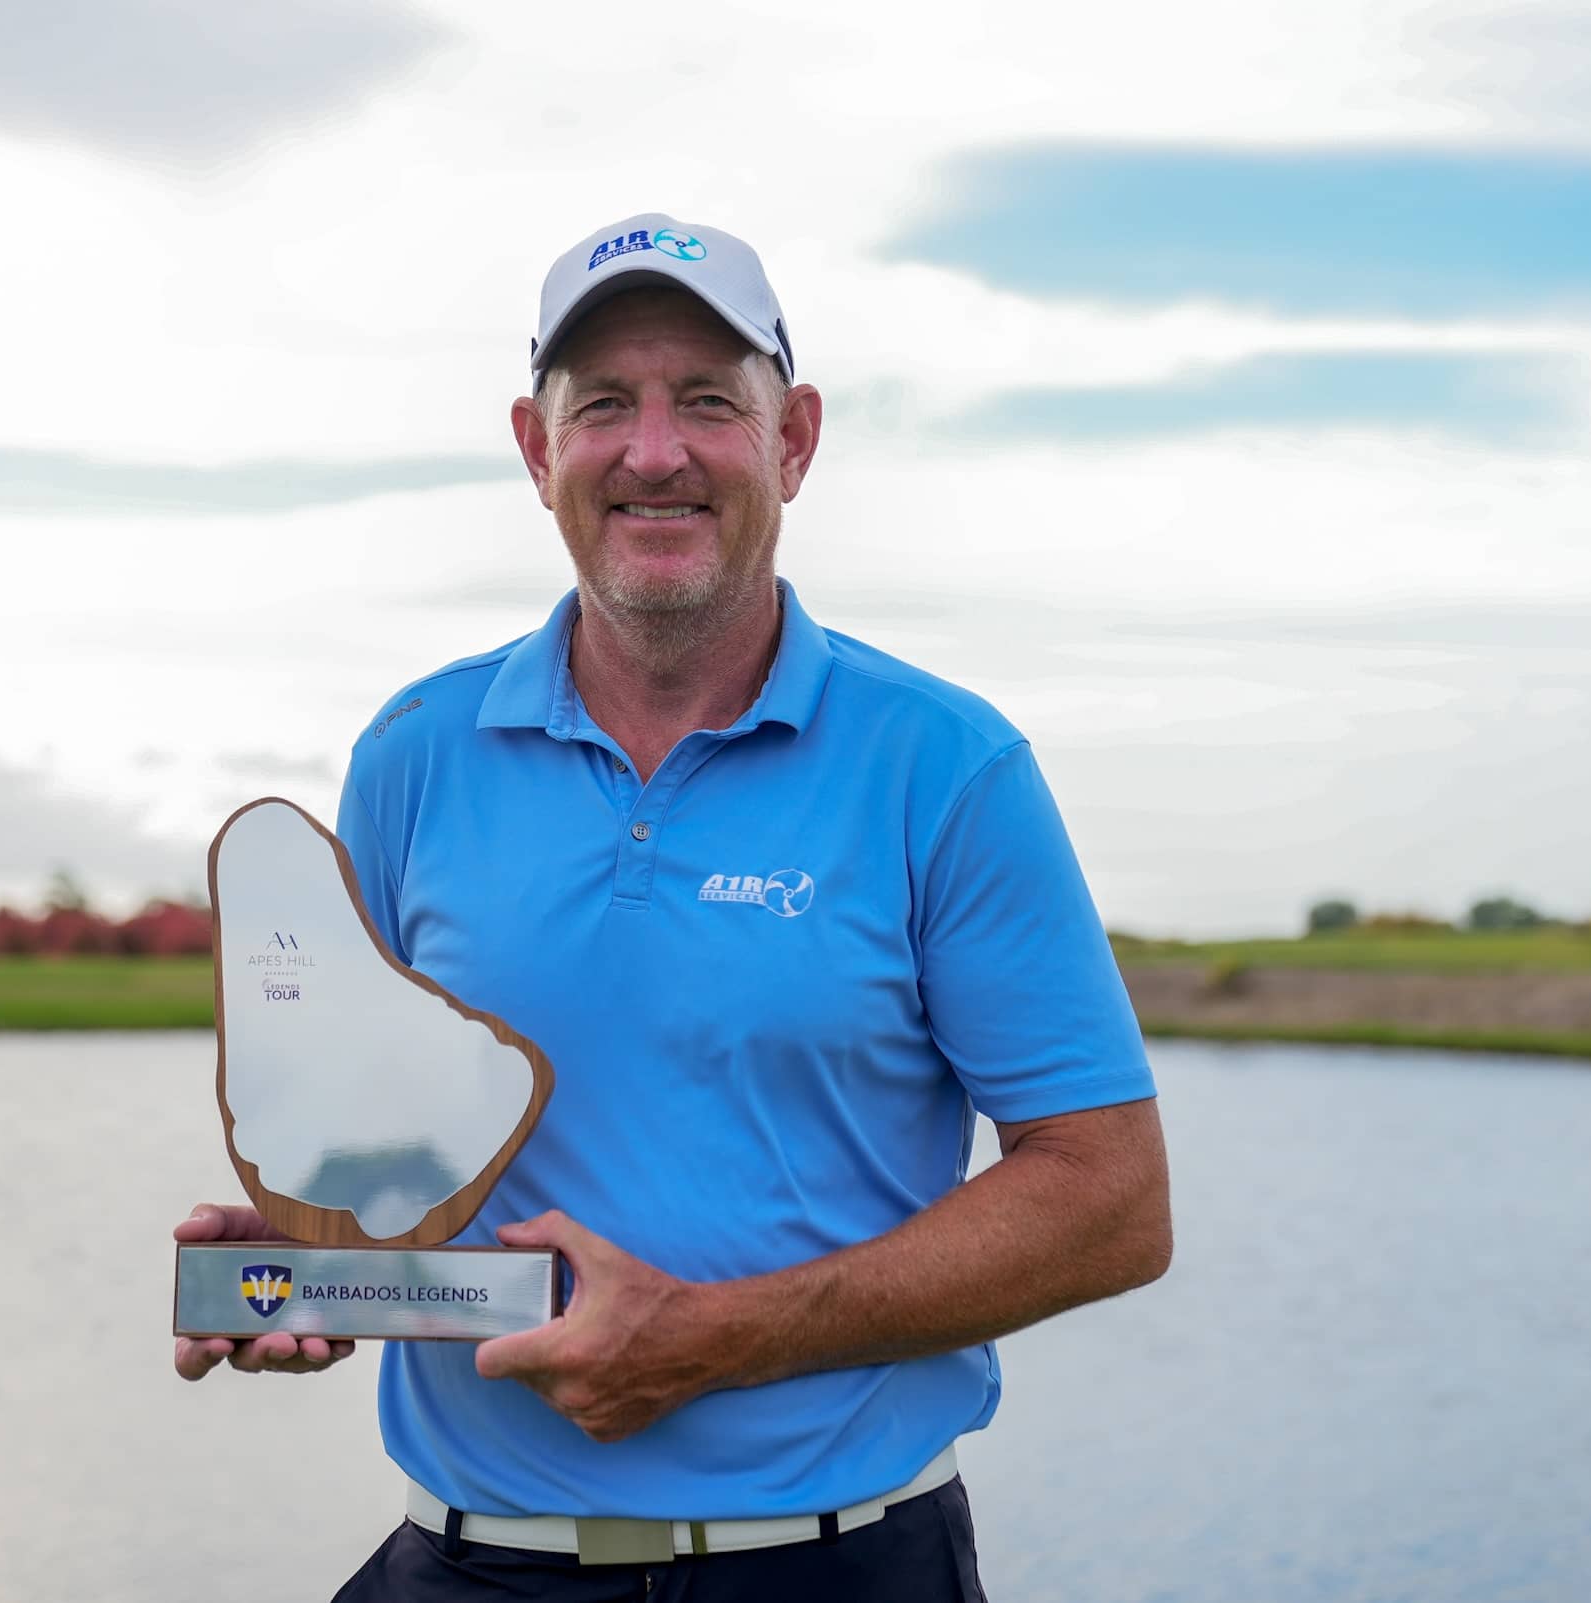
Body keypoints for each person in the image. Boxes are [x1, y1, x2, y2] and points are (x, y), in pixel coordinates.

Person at [174, 212, 1172, 1601]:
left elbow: (1112, 1201)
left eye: (709, 401)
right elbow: (394, 1136)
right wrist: (323, 1258)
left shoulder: (943, 764)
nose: (654, 452)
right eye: (604, 409)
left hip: (838, 1568)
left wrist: (721, 1334)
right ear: (539, 449)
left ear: (795, 442)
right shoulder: (415, 751)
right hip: (472, 1563)